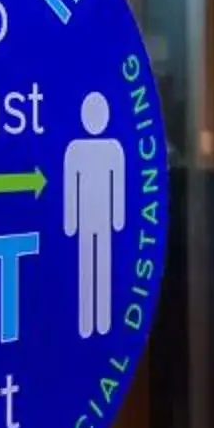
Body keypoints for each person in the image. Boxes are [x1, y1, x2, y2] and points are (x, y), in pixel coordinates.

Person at [61, 91, 126, 338]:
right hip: (86, 221)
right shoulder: (75, 150)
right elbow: (71, 187)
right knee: (87, 267)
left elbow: (116, 185)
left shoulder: (113, 149)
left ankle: (103, 320)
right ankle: (87, 322)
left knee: (102, 266)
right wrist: (70, 222)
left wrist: (118, 219)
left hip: (103, 220)